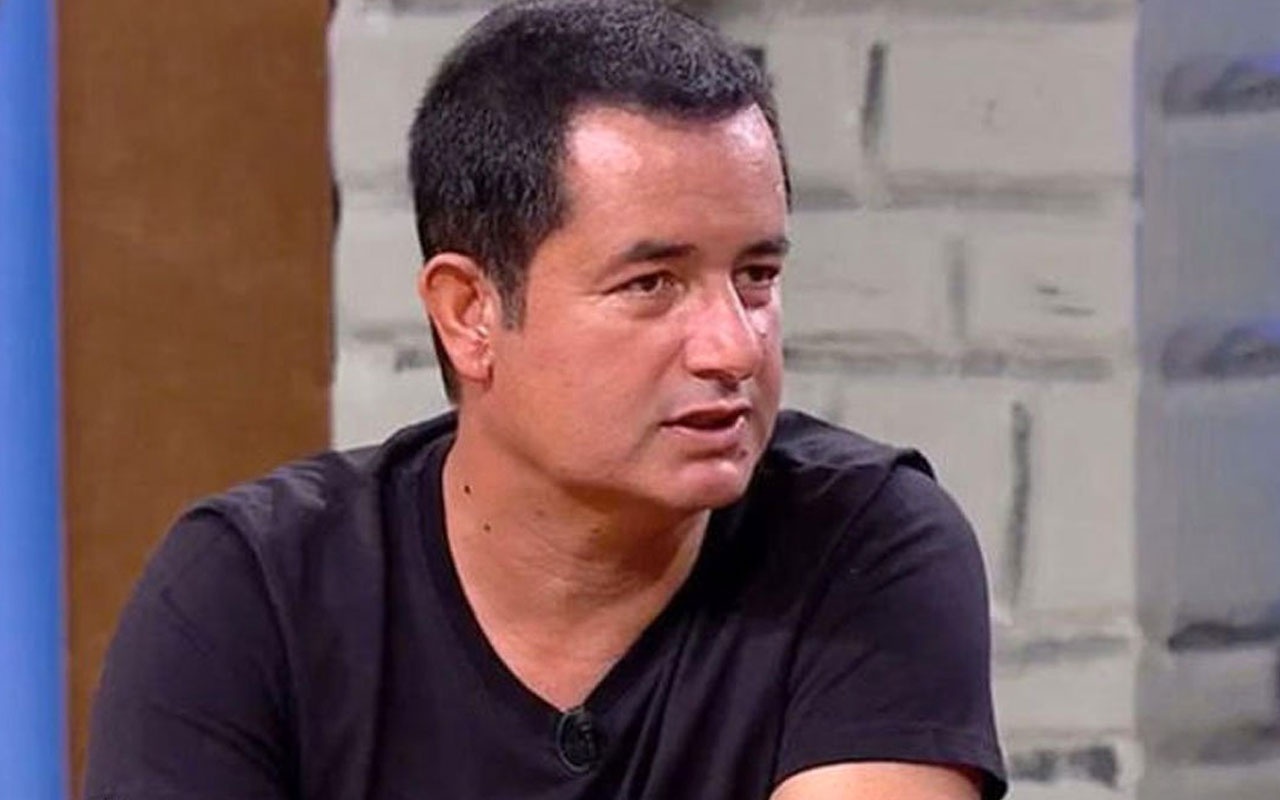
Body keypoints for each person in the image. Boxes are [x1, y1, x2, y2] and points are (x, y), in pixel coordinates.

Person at [84, 2, 1007, 798]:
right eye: (652, 285)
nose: (734, 349)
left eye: (756, 277)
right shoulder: (253, 595)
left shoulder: (863, 546)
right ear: (470, 313)